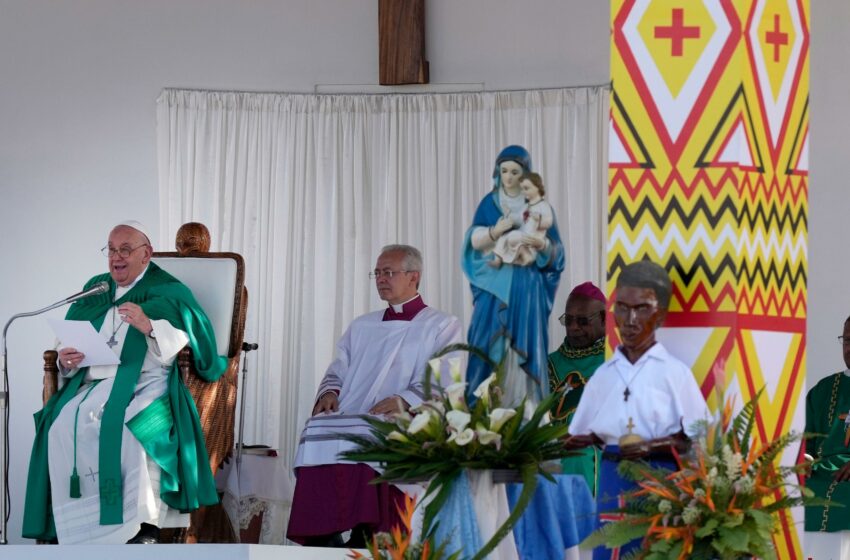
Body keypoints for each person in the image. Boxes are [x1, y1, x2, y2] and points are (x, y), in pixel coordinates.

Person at [22, 221, 228, 544]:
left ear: (146, 255)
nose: (116, 258)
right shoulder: (97, 289)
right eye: (111, 250)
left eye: (125, 250)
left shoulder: (168, 290)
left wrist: (149, 326)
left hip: (147, 382)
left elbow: (185, 340)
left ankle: (142, 525)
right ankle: (77, 530)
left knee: (130, 427)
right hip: (94, 384)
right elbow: (68, 342)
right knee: (60, 426)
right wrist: (66, 361)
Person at [287, 244, 463, 547]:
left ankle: (369, 529)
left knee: (371, 431)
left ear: (413, 277)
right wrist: (330, 391)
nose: (381, 278)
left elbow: (447, 376)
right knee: (317, 427)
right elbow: (339, 364)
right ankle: (323, 533)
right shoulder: (362, 325)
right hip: (356, 412)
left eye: (389, 272)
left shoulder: (442, 325)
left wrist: (405, 400)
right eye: (378, 273)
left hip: (408, 418)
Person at [566, 261, 709, 560]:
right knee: (610, 551)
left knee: (652, 551)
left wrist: (654, 445)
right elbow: (580, 433)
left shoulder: (674, 373)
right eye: (622, 308)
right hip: (611, 479)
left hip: (658, 480)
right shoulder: (603, 375)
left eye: (642, 308)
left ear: (660, 314)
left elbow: (698, 435)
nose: (630, 320)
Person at [462, 145, 564, 406]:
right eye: (504, 170)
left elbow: (556, 254)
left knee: (525, 347)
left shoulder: (539, 206)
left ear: (525, 175)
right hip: (493, 290)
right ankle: (482, 413)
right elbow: (473, 242)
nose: (509, 177)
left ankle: (526, 412)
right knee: (485, 344)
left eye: (515, 172)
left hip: (525, 287)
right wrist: (495, 231)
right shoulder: (489, 202)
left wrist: (543, 246)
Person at [547, 281, 607, 496]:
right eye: (568, 320)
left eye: (582, 321)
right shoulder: (550, 364)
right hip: (552, 446)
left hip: (598, 448)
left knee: (580, 455)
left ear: (604, 319)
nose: (573, 327)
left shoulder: (615, 362)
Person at [804, 316, 850, 556]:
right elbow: (805, 441)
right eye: (847, 340)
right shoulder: (823, 390)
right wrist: (806, 460)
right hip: (821, 474)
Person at [491, 172, 554, 267]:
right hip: (523, 235)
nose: (523, 192)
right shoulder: (526, 206)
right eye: (522, 189)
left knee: (511, 236)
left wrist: (539, 219)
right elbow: (518, 218)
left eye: (526, 188)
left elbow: (549, 222)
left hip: (533, 237)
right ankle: (499, 259)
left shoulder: (543, 206)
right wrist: (508, 215)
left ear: (537, 187)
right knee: (505, 238)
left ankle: (524, 256)